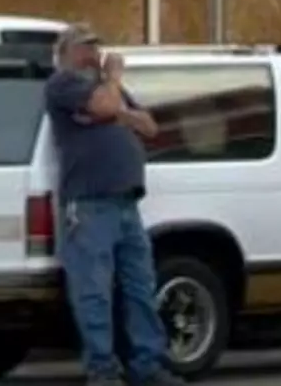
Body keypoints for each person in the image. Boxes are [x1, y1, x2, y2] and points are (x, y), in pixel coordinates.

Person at [45, 24, 182, 386]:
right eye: (86, 48)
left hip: (126, 204)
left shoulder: (107, 90)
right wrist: (114, 85)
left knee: (140, 286)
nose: (95, 55)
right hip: (89, 206)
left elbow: (149, 126)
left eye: (96, 47)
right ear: (67, 53)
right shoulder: (63, 84)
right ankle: (101, 368)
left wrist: (117, 108)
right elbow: (105, 105)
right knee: (93, 291)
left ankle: (147, 363)